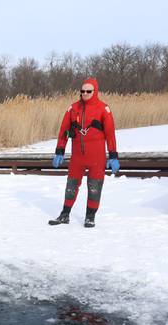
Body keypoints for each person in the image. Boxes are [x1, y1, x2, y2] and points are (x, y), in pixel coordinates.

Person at [49, 78, 118, 228]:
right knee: (71, 185)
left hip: (97, 157)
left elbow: (110, 134)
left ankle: (90, 216)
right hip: (77, 157)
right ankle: (65, 214)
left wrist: (113, 156)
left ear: (95, 91)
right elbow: (64, 131)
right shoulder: (73, 109)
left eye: (88, 91)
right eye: (82, 91)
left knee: (94, 186)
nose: (85, 93)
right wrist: (59, 151)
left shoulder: (103, 109)